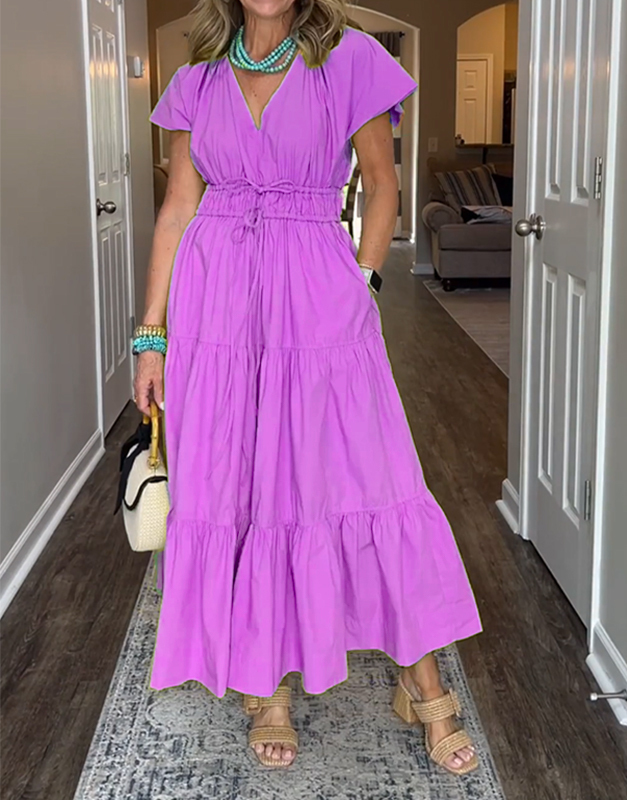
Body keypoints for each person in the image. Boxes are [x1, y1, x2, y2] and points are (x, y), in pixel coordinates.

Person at [133, 0, 482, 774]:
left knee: (371, 478)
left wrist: (362, 282)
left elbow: (382, 185)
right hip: (217, 308)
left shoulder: (350, 60)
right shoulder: (197, 79)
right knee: (240, 489)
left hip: (318, 295)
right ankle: (267, 687)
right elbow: (179, 206)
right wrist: (150, 334)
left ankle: (422, 682)